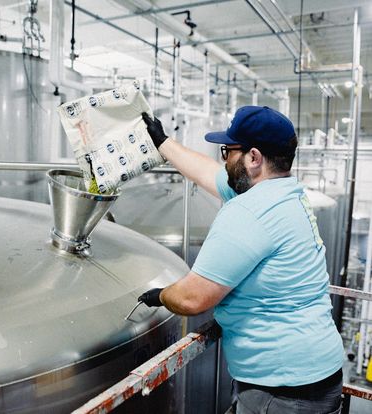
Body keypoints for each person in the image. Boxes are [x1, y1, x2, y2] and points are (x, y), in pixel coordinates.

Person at [138, 106, 344, 414]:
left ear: (253, 158)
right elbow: (209, 173)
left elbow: (194, 298)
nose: (224, 159)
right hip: (316, 375)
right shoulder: (286, 193)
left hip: (284, 393)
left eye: (228, 151)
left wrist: (162, 295)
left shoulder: (249, 211)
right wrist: (162, 142)